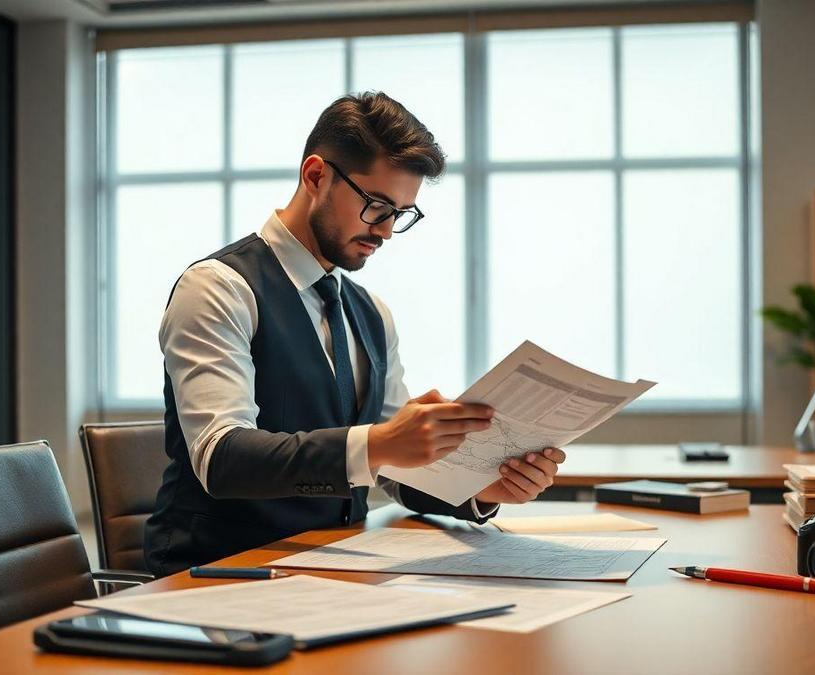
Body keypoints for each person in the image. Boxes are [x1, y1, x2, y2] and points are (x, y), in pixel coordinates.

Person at [144, 91, 567, 576]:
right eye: (375, 206)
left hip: (330, 571)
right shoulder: (219, 288)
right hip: (216, 576)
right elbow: (222, 457)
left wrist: (477, 492)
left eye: (402, 214)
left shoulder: (369, 313)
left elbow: (391, 466)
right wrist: (381, 442)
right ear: (316, 176)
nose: (386, 231)